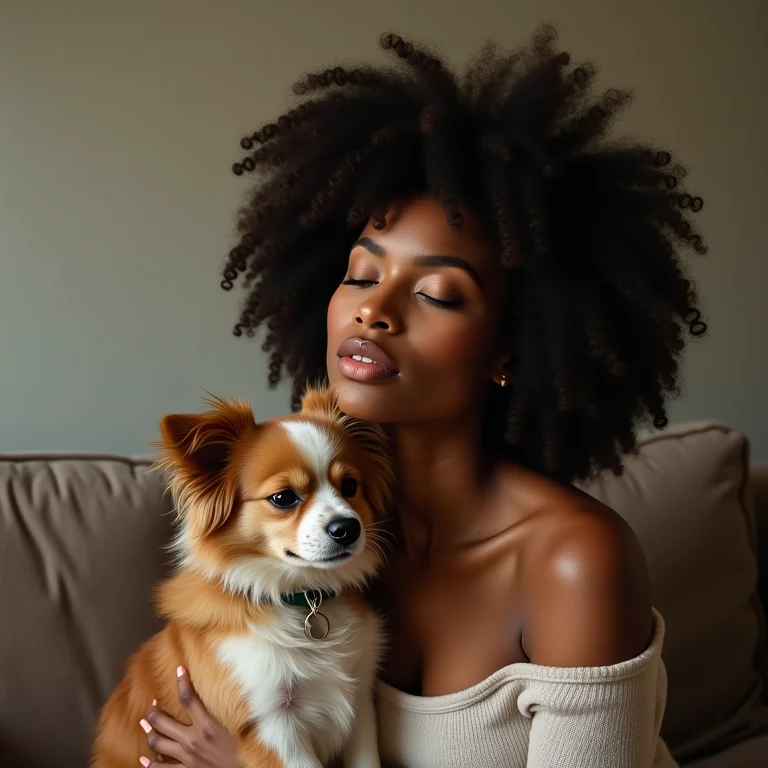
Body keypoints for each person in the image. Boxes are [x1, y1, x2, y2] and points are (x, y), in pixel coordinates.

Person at [137, 26, 707, 768]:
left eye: (438, 293)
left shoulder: (574, 562)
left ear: (514, 344)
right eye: (363, 275)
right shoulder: (299, 546)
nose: (376, 311)